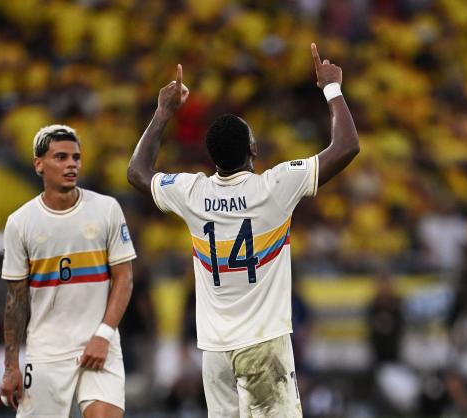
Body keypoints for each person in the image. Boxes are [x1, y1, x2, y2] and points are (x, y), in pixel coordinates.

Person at [127, 43, 359, 417]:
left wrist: (162, 113)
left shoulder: (192, 192)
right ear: (252, 146)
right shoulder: (275, 187)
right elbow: (347, 146)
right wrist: (332, 88)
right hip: (263, 344)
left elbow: (137, 172)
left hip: (216, 350)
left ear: (212, 157)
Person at [0, 125, 136, 418]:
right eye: (61, 157)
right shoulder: (20, 223)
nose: (71, 164)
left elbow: (124, 278)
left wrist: (104, 334)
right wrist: (11, 366)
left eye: (76, 157)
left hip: (100, 344)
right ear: (39, 164)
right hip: (47, 352)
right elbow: (16, 300)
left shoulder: (106, 209)